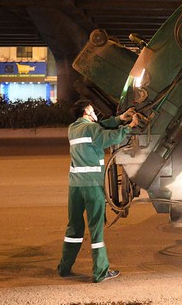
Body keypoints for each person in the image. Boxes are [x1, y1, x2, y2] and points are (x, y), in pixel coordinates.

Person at [57, 99, 138, 283]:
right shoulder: (92, 130)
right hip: (92, 186)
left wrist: (119, 118)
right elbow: (109, 137)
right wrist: (129, 126)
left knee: (74, 228)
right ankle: (101, 272)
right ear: (86, 112)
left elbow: (99, 126)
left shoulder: (73, 129)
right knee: (96, 231)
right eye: (92, 110)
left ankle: (64, 267)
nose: (95, 114)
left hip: (75, 187)